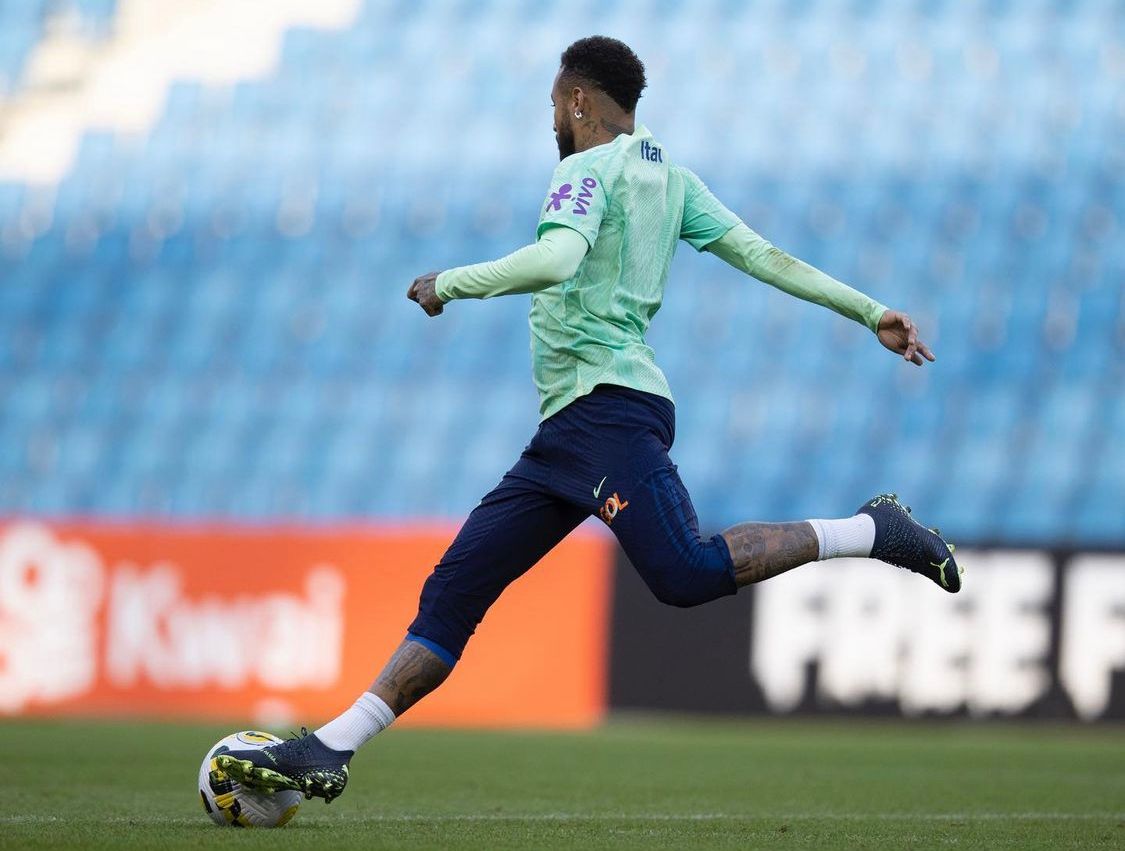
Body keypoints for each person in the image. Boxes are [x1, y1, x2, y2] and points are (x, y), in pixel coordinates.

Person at [218, 35, 961, 802]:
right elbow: (763, 256)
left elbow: (554, 260)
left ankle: (870, 529)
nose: (552, 120)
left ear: (578, 100)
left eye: (553, 105)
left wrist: (451, 282)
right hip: (563, 436)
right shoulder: (671, 178)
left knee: (685, 573)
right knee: (453, 591)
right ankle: (330, 747)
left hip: (607, 413)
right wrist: (869, 311)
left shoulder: (583, 170)